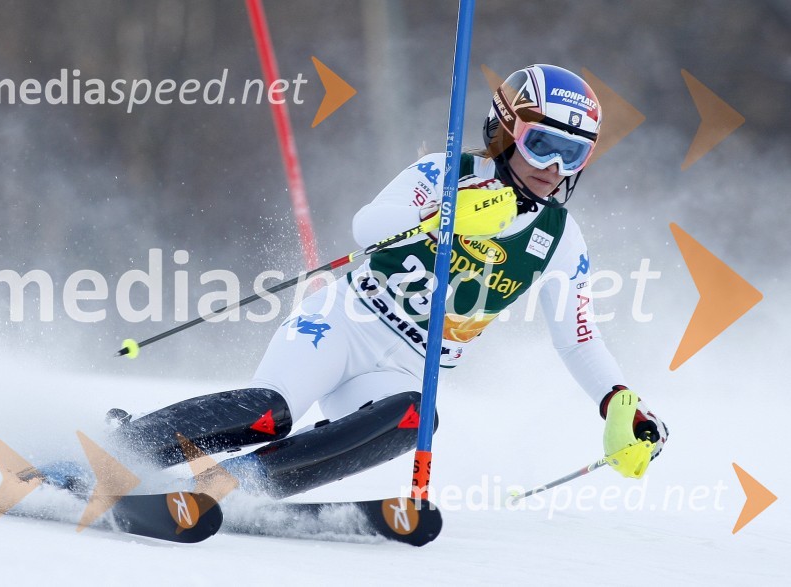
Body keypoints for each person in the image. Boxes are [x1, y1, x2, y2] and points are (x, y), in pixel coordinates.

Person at [114, 64, 668, 498]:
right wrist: (444, 218)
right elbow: (367, 226)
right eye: (540, 143)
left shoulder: (561, 238)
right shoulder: (447, 173)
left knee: (412, 418)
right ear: (503, 133)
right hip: (344, 322)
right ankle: (120, 451)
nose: (553, 167)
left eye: (573, 155)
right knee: (270, 414)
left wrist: (619, 403)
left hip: (409, 362)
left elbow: (578, 337)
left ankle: (232, 488)